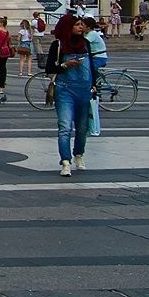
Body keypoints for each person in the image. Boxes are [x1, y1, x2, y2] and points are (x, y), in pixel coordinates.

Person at [44, 13, 95, 176]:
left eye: (82, 24)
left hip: (83, 89)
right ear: (68, 27)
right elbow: (49, 69)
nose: (81, 27)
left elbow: (92, 67)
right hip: (64, 89)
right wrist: (66, 65)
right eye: (77, 24)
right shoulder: (57, 45)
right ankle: (65, 161)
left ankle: (78, 154)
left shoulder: (86, 43)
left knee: (82, 128)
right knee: (65, 126)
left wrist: (94, 85)